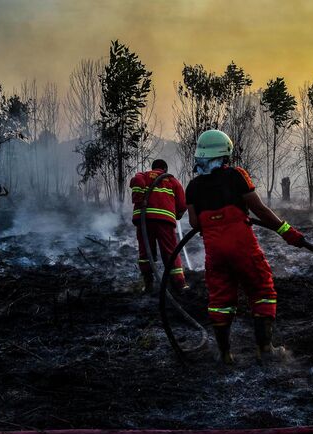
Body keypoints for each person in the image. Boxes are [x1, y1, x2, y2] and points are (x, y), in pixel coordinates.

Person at [185, 129, 304, 364]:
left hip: (215, 253)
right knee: (261, 289)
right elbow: (259, 210)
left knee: (220, 298)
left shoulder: (193, 187)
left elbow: (194, 223)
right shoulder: (236, 176)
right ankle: (265, 349)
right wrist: (288, 233)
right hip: (242, 246)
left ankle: (225, 354)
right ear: (225, 153)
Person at [130, 159, 188, 293]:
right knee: (170, 252)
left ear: (153, 168)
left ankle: (148, 284)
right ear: (165, 169)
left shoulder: (143, 175)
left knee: (145, 252)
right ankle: (179, 285)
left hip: (144, 220)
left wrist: (138, 198)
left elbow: (136, 182)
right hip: (164, 222)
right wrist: (177, 215)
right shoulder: (172, 181)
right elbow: (182, 204)